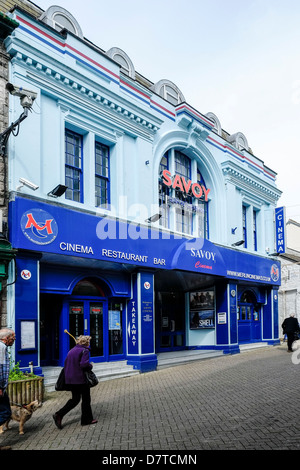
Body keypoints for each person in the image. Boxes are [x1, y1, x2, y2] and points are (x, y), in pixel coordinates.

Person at [53, 335, 97, 429]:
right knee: (86, 399)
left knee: (75, 399)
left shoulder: (71, 350)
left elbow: (66, 363)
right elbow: (84, 365)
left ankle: (59, 414)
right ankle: (86, 420)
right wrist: (90, 366)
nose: (89, 344)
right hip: (80, 379)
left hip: (70, 379)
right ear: (86, 343)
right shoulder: (85, 350)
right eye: (89, 342)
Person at [0, 328, 16, 451]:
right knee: (6, 412)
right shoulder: (1, 348)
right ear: (6, 338)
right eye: (13, 337)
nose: (14, 339)